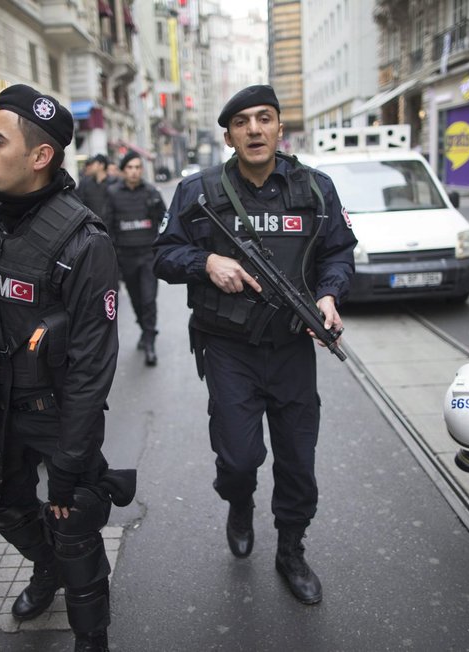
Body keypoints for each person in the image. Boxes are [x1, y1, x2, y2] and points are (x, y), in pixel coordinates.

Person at [0, 85, 127, 652]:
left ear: (40, 157)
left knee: (74, 519)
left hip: (57, 408)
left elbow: (92, 365)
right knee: (3, 505)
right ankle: (45, 568)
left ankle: (92, 638)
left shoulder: (84, 241)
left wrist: (70, 461)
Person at [153, 85, 357, 604]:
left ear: (279, 128)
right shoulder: (198, 191)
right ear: (229, 135)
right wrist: (206, 263)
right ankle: (239, 501)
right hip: (228, 347)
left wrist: (329, 298)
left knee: (297, 460)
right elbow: (164, 254)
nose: (254, 129)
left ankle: (291, 549)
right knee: (240, 458)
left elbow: (338, 254)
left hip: (292, 348)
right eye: (242, 122)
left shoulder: (315, 189)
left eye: (264, 119)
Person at [105, 150, 167, 365]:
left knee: (149, 300)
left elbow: (166, 222)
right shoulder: (113, 193)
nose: (134, 172)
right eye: (130, 167)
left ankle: (150, 342)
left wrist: (163, 248)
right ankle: (145, 329)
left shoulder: (151, 192)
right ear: (123, 171)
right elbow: (108, 226)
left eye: (137, 167)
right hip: (126, 257)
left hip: (148, 256)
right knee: (137, 300)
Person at [75, 153, 112, 222]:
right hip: (92, 224)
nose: (91, 166)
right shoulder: (85, 183)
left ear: (101, 165)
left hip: (109, 225)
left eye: (94, 164)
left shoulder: (112, 183)